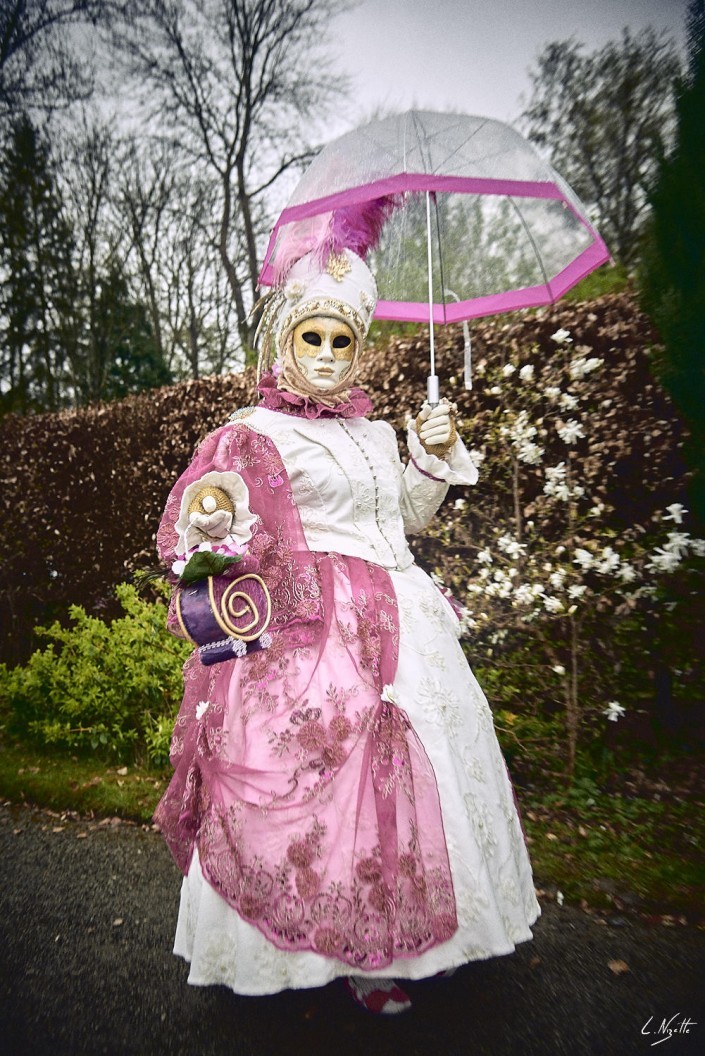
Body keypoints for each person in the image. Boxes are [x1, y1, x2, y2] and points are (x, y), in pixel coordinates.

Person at [154, 247, 540, 1014]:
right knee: (311, 782)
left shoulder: (378, 432)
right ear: (285, 340)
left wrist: (430, 455)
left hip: (403, 618)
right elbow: (220, 531)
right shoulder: (249, 431)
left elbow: (405, 518)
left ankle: (392, 947)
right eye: (312, 338)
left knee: (420, 773)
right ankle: (295, 958)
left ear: (358, 345)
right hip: (309, 631)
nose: (327, 355)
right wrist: (222, 530)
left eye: (341, 341)